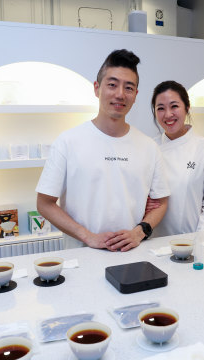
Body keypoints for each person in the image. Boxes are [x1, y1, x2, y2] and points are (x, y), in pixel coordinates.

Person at [35, 49, 170, 251]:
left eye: (129, 88)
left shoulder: (149, 147)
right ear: (97, 88)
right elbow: (44, 203)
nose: (120, 94)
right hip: (82, 256)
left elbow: (161, 203)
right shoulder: (68, 142)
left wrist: (138, 232)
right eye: (112, 85)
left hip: (132, 254)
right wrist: (88, 237)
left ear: (135, 95)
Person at [146, 80, 204, 237]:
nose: (168, 114)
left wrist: (196, 242)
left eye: (174, 106)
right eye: (160, 108)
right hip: (153, 241)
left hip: (191, 242)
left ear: (187, 108)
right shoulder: (149, 147)